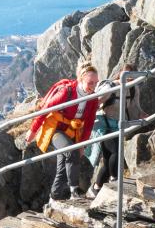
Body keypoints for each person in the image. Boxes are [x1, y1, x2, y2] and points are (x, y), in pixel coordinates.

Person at [30, 63, 102, 202]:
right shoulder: (67, 91)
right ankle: (74, 189)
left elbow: (88, 125)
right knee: (72, 151)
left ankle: (54, 197)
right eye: (90, 83)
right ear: (81, 80)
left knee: (64, 165)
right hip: (55, 129)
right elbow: (46, 108)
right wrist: (33, 130)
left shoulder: (92, 98)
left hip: (71, 132)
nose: (93, 86)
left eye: (96, 83)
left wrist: (82, 145)